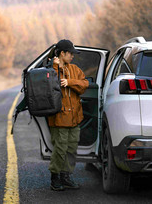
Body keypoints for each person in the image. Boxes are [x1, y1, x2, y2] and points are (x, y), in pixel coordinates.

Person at [48, 39, 89, 191]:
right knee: (60, 149)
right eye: (70, 53)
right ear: (62, 53)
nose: (72, 56)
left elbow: (84, 85)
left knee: (71, 149)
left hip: (75, 119)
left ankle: (66, 177)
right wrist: (56, 67)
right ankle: (55, 178)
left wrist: (70, 82)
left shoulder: (75, 69)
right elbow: (50, 86)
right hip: (59, 119)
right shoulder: (51, 70)